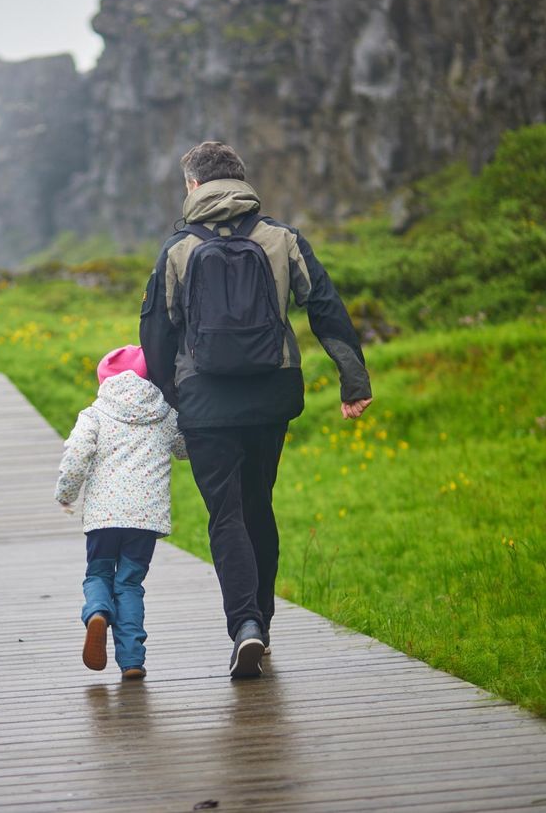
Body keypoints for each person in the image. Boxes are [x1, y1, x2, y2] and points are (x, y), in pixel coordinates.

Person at [139, 141, 373, 678]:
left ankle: (244, 625)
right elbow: (325, 306)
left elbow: (156, 332)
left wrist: (172, 401)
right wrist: (352, 379)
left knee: (225, 514)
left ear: (194, 186)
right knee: (257, 505)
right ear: (240, 181)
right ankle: (261, 628)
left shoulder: (177, 249)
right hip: (272, 396)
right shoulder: (282, 239)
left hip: (205, 403)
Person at [56, 345, 188, 680]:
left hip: (104, 517)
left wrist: (66, 495)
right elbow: (186, 449)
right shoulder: (165, 413)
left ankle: (98, 613)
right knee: (129, 583)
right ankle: (132, 661)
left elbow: (76, 455)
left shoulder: (95, 414)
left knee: (98, 574)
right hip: (145, 518)